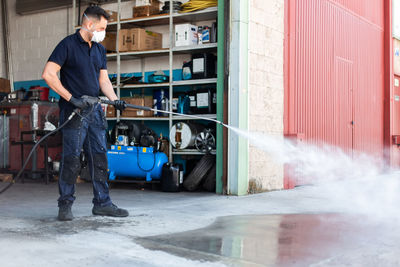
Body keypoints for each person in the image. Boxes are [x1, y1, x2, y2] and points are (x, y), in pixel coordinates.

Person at [42, 6, 128, 221]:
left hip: (94, 111)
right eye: (101, 28)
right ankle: (65, 205)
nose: (103, 33)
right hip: (74, 112)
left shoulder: (99, 49)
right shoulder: (67, 45)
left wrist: (115, 99)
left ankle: (102, 203)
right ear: (89, 24)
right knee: (72, 159)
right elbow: (49, 74)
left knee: (99, 158)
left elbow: (103, 80)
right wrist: (71, 99)